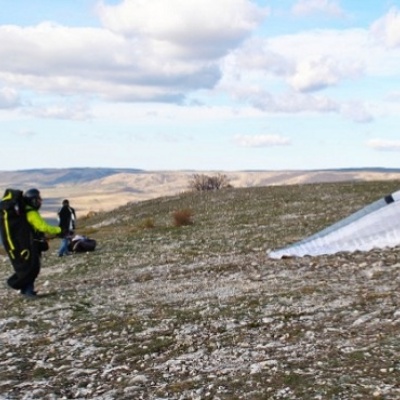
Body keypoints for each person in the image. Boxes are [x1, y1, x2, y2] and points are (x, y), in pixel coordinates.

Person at [6, 188, 61, 299]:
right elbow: (43, 226)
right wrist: (60, 230)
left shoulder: (23, 212)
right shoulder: (31, 213)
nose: (40, 201)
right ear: (33, 201)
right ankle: (28, 292)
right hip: (30, 245)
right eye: (38, 199)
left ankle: (26, 290)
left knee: (28, 267)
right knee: (32, 268)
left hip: (25, 245)